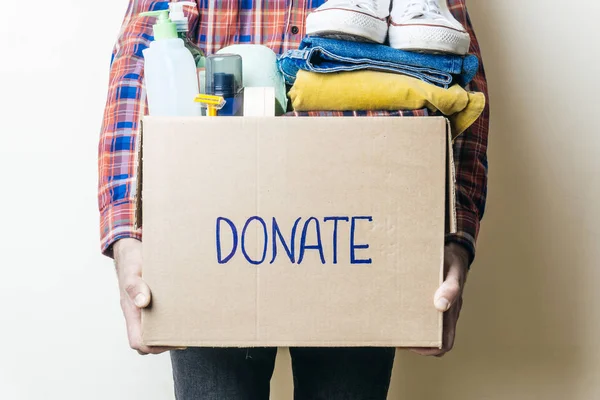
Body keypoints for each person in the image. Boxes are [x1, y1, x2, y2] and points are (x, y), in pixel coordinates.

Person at [98, 0, 489, 398]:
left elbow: (458, 79)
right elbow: (139, 58)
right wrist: (128, 233)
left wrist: (452, 234)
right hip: (213, 212)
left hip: (362, 221)